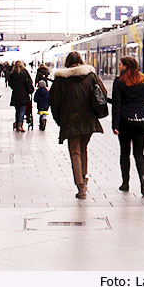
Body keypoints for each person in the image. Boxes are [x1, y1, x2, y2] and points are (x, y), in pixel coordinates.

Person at [49, 51, 107, 199]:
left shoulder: (61, 79)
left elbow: (54, 103)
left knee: (75, 152)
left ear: (67, 62)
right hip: (88, 120)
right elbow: (103, 93)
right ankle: (84, 179)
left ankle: (81, 186)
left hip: (70, 121)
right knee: (83, 149)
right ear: (81, 61)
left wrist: (60, 121)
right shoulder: (90, 76)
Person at [112, 56, 144, 196]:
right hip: (141, 121)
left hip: (125, 121)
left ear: (126, 66)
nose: (118, 67)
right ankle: (143, 179)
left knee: (125, 153)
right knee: (139, 153)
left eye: (120, 65)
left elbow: (116, 105)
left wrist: (115, 125)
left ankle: (125, 183)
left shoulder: (119, 82)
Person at [7, 60, 34, 132]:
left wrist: (15, 88)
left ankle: (17, 123)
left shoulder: (12, 74)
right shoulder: (25, 73)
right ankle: (20, 125)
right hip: (24, 94)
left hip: (15, 94)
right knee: (22, 111)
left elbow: (10, 84)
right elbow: (30, 82)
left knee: (17, 110)